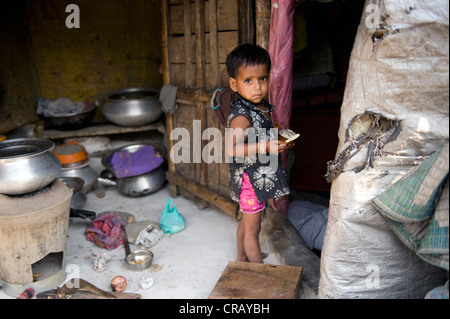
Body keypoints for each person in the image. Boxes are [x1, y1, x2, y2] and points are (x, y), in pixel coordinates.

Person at [225, 44, 293, 263]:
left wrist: (279, 141)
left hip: (255, 178)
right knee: (253, 232)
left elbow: (258, 136)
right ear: (234, 84)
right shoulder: (241, 115)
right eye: (248, 81)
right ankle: (258, 271)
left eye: (262, 79)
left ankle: (241, 257)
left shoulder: (258, 105)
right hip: (250, 182)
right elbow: (231, 148)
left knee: (247, 222)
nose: (257, 87)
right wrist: (266, 147)